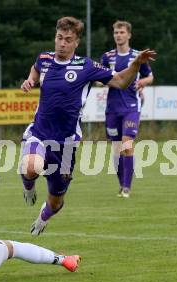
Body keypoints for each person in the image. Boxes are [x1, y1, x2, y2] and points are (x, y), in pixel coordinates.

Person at [20, 16, 156, 235]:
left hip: (66, 143)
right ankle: (28, 186)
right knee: (31, 166)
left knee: (55, 202)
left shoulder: (87, 66)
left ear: (76, 43)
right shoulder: (44, 58)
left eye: (68, 39)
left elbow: (121, 81)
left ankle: (44, 216)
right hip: (40, 132)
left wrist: (136, 64)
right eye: (59, 38)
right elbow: (36, 68)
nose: (62, 43)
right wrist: (30, 79)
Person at [101, 21, 154, 198]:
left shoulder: (138, 56)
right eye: (116, 32)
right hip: (112, 108)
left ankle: (127, 187)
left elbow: (150, 77)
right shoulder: (107, 57)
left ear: (129, 35)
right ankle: (122, 183)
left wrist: (141, 82)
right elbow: (100, 77)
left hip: (131, 106)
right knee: (117, 149)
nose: (118, 35)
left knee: (127, 143)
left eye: (122, 32)